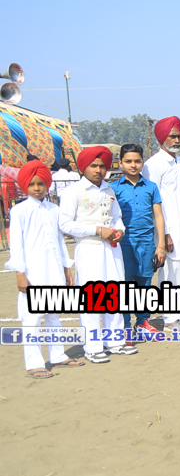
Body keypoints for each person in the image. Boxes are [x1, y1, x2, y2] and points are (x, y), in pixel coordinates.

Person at [59, 146, 135, 362]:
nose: (98, 170)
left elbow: (117, 217)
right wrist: (97, 230)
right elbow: (65, 224)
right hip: (88, 248)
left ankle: (115, 342)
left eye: (102, 166)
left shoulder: (109, 190)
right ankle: (92, 347)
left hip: (111, 249)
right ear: (84, 167)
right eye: (93, 165)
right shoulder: (73, 191)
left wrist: (119, 230)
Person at [6, 161, 82, 377]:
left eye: (41, 183)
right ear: (25, 186)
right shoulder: (19, 210)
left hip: (54, 269)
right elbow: (16, 245)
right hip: (32, 272)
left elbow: (60, 242)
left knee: (53, 315)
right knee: (31, 318)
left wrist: (66, 269)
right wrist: (20, 273)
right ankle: (34, 363)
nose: (37, 188)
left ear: (47, 184)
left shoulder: (54, 209)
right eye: (32, 184)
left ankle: (58, 356)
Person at [143, 117, 180, 329]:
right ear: (162, 138)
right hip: (168, 229)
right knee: (170, 274)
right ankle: (170, 318)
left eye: (178, 136)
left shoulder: (177, 161)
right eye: (172, 136)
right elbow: (153, 202)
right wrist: (164, 233)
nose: (177, 140)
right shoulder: (153, 165)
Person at [111, 144, 166, 335]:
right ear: (120, 163)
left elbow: (158, 216)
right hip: (122, 244)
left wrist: (160, 246)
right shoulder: (113, 188)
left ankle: (142, 321)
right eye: (128, 161)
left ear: (143, 162)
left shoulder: (151, 187)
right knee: (125, 284)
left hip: (147, 243)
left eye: (137, 161)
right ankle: (125, 324)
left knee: (144, 283)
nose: (133, 165)